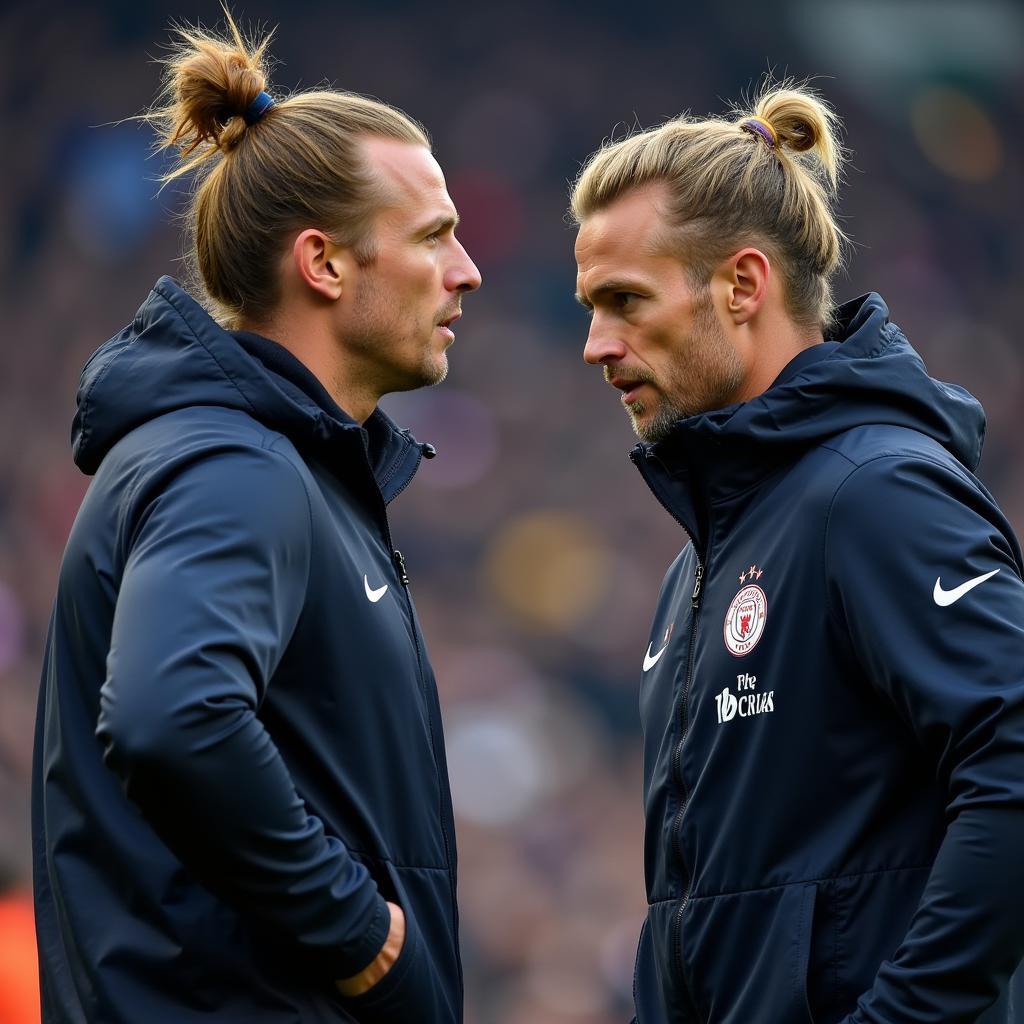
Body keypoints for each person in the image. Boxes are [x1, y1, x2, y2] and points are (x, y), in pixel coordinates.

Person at [32, 12, 480, 1024]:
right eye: (433, 237)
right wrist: (359, 934)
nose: (467, 271)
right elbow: (170, 715)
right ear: (323, 264)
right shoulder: (236, 463)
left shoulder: (272, 463)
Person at [571, 83, 1024, 1023]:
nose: (595, 345)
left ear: (742, 285)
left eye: (624, 301)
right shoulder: (701, 561)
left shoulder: (876, 494)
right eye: (588, 307)